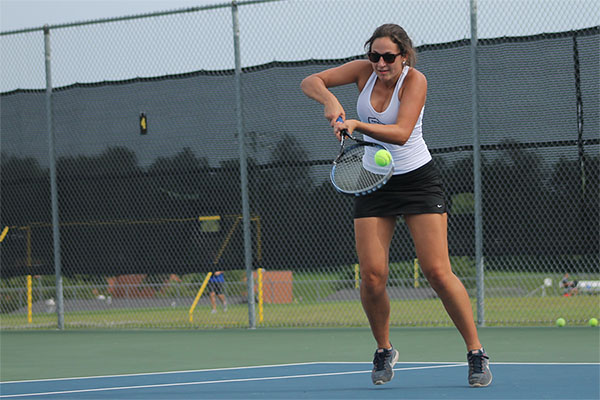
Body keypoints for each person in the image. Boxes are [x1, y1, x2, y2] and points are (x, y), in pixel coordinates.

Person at [301, 23, 492, 387]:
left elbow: (403, 133)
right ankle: (384, 348)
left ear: (403, 55)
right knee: (372, 276)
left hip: (417, 180)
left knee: (437, 271)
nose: (380, 63)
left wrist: (356, 123)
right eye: (375, 56)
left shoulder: (414, 81)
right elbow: (311, 81)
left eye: (388, 56)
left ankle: (476, 352)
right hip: (373, 182)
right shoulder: (362, 71)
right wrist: (331, 102)